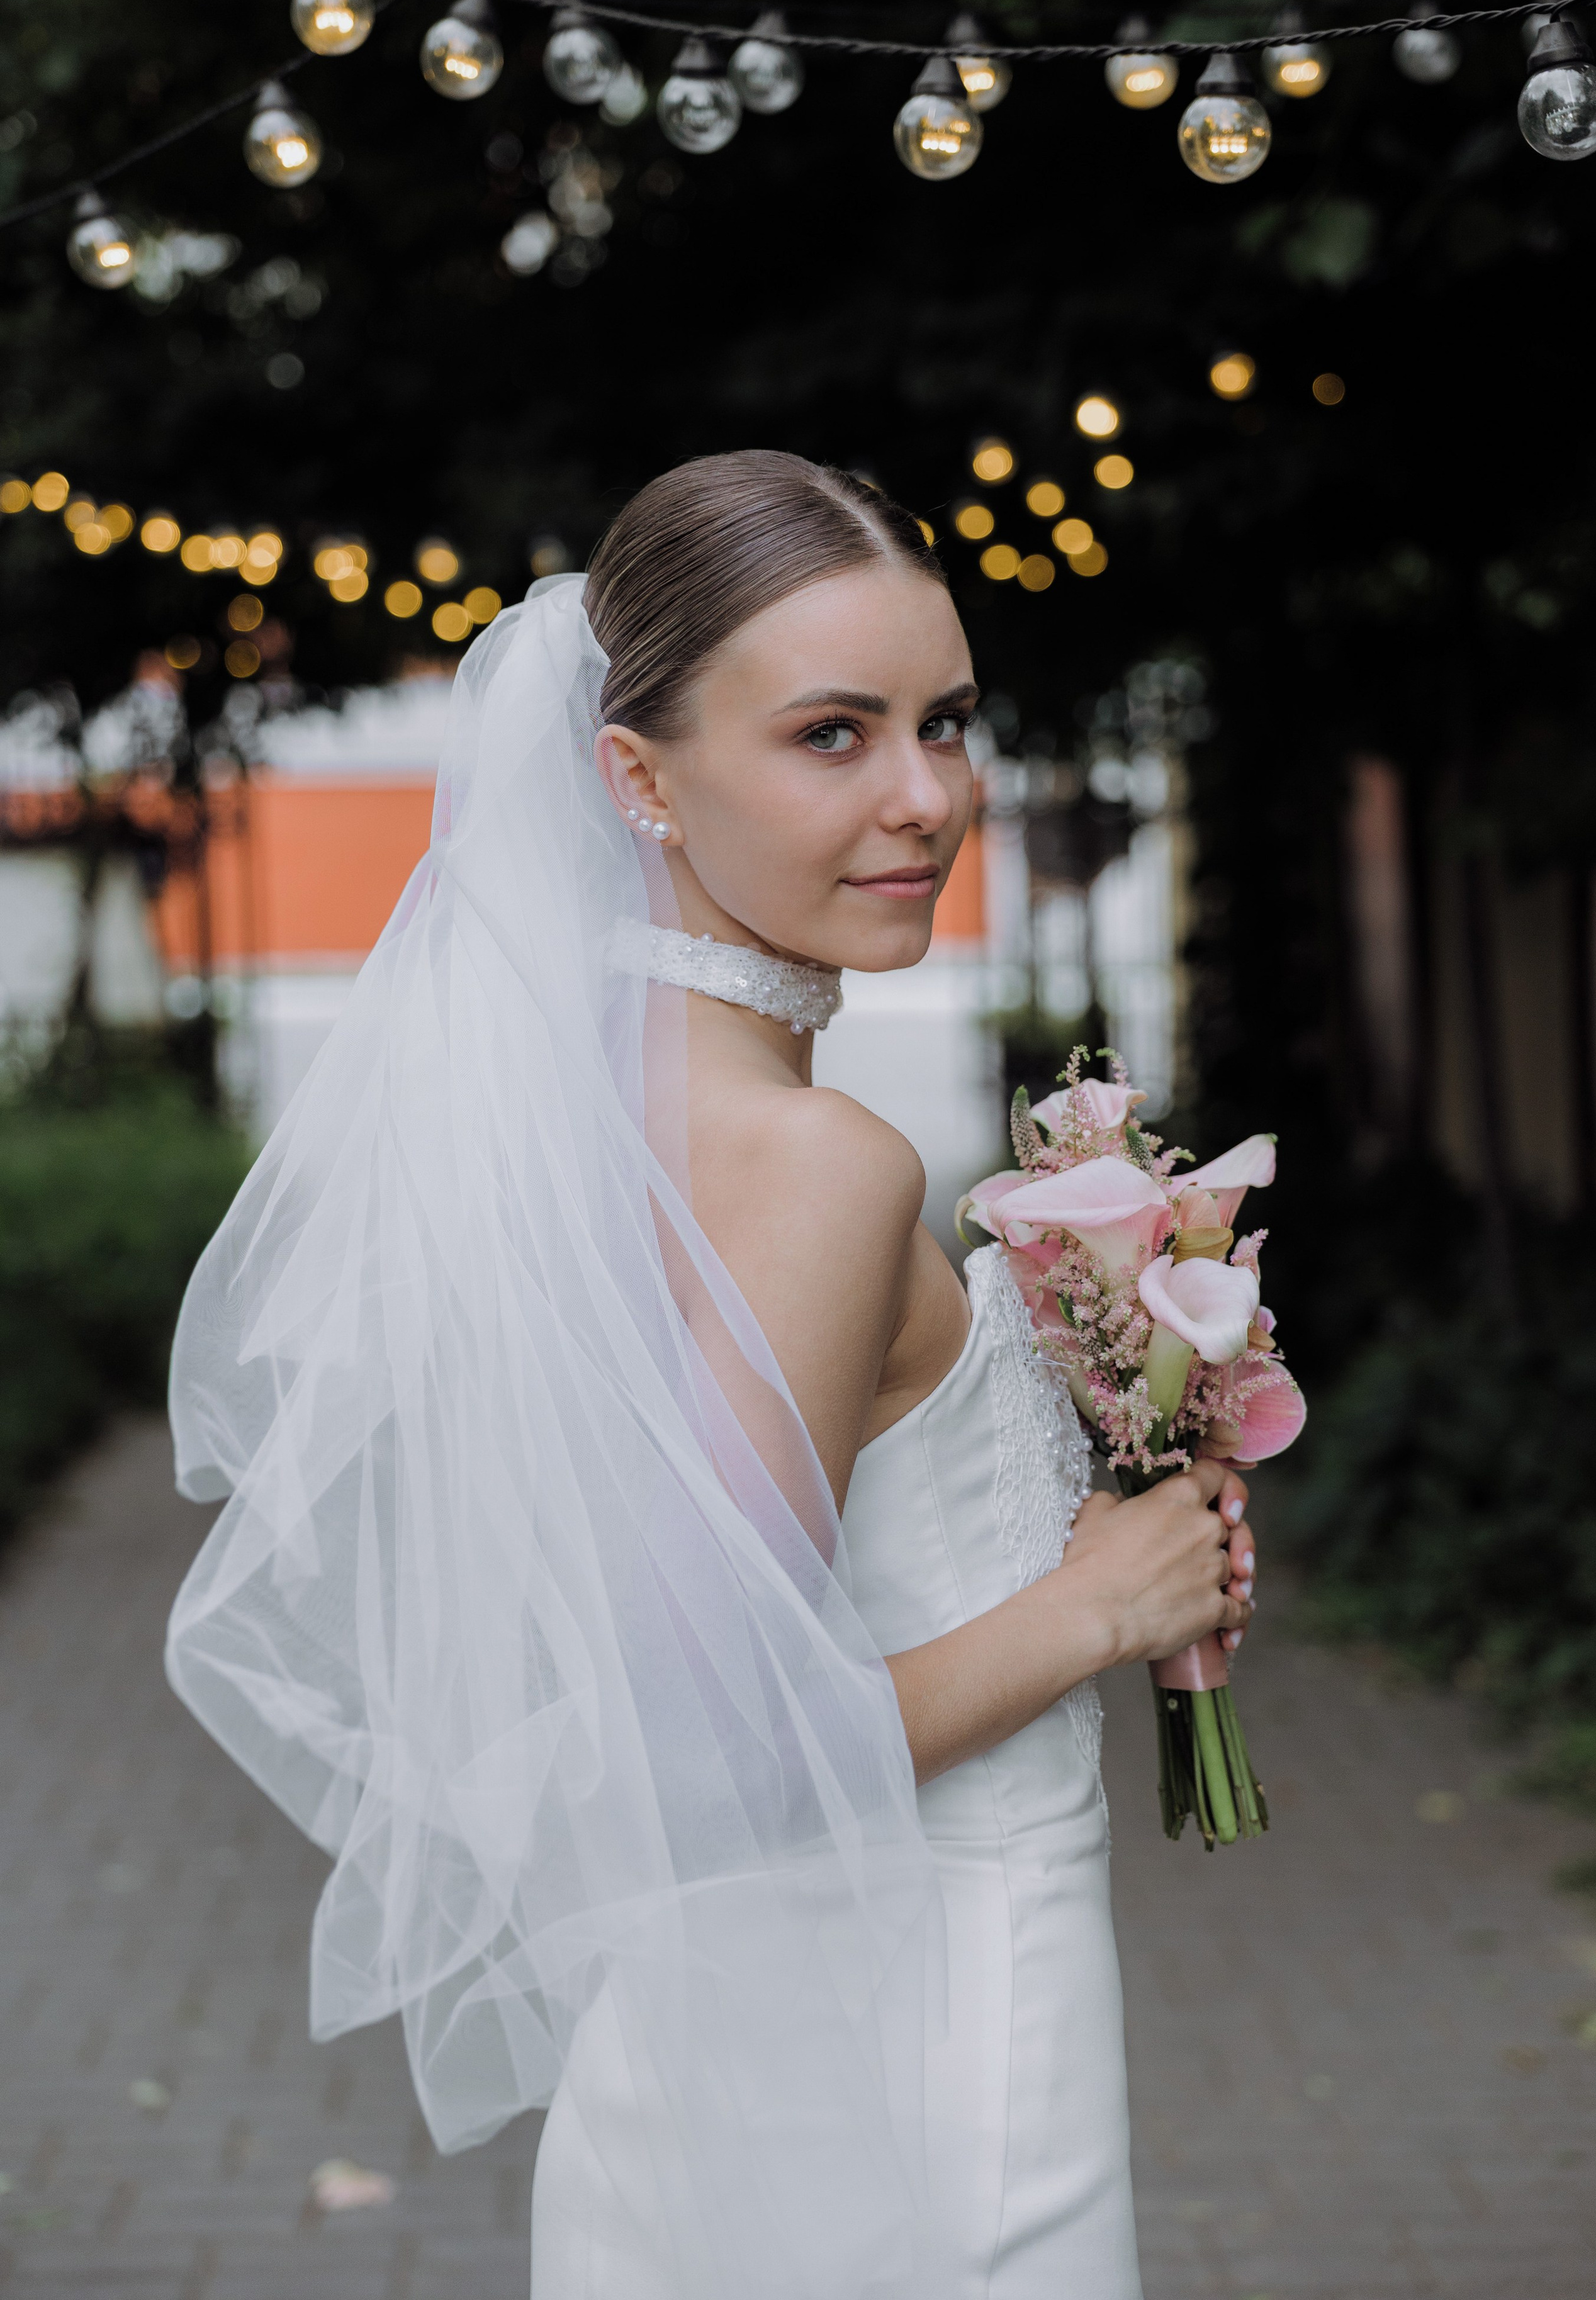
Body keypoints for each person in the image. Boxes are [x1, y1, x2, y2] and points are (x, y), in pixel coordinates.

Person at [167, 451, 1253, 2300]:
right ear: (638, 778)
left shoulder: (587, 1116)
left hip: (711, 2045)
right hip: (916, 2032)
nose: (927, 800)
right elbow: (692, 1757)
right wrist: (1095, 1602)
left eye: (948, 723)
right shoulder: (820, 1169)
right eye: (833, 735)